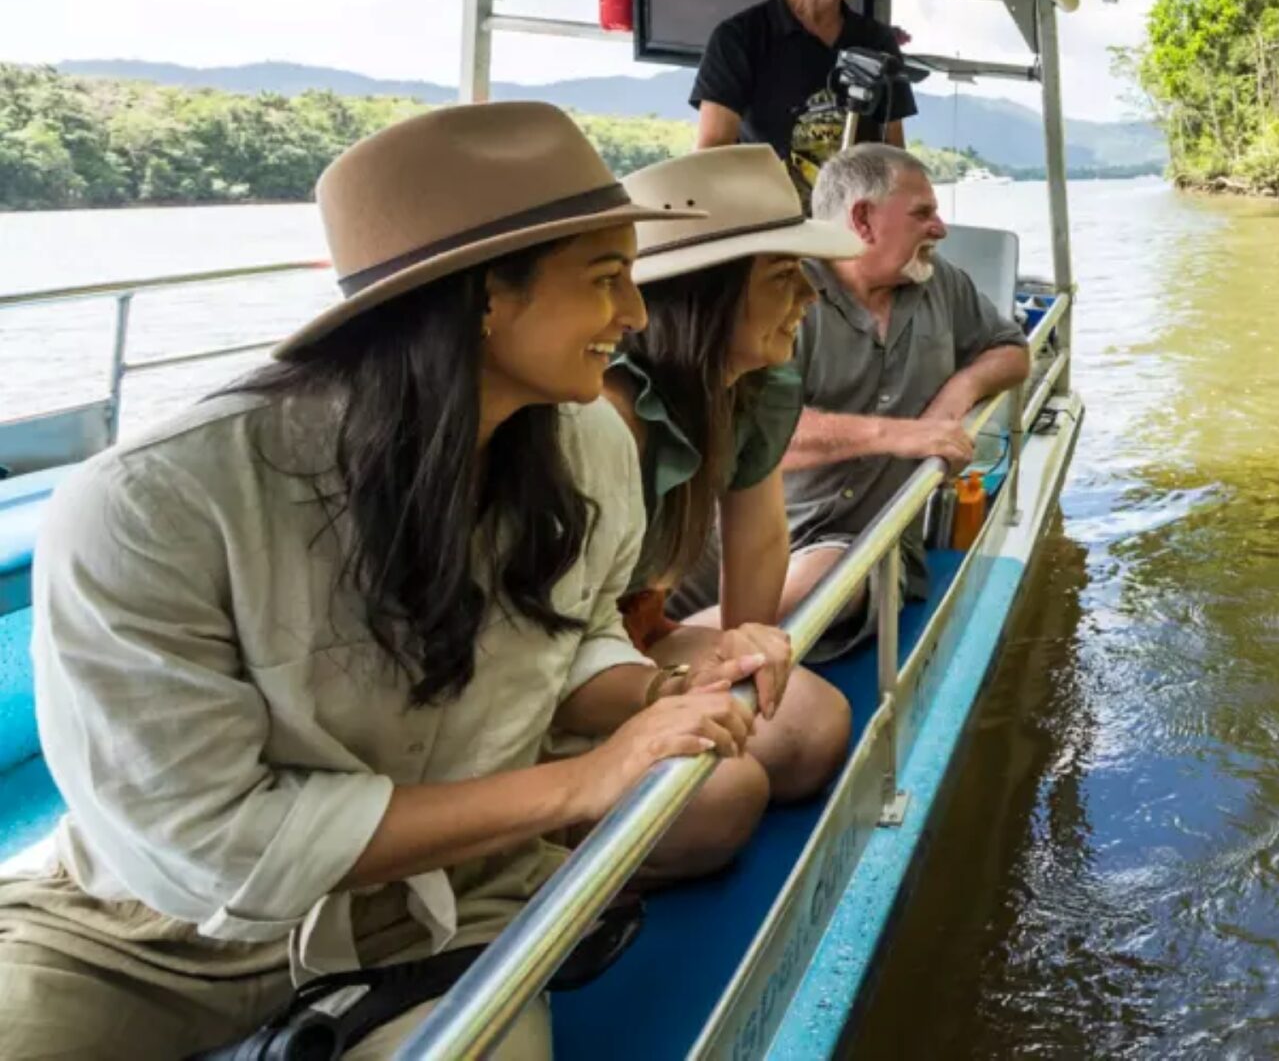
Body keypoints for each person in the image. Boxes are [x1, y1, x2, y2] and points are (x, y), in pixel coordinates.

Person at [0, 103, 774, 1061]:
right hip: (153, 938)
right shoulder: (153, 506)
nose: (637, 314)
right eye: (607, 278)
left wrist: (661, 694)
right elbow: (213, 841)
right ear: (487, 296)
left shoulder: (589, 451)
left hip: (442, 910)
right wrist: (581, 781)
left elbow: (573, 642)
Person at [599, 146, 859, 834]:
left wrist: (748, 652)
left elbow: (761, 531)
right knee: (724, 797)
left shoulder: (750, 385)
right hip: (566, 672)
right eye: (783, 274)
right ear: (705, 295)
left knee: (810, 730)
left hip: (640, 632)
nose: (810, 294)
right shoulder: (607, 415)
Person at [772, 145, 1030, 653]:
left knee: (832, 569)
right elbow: (757, 437)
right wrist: (902, 435)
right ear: (863, 221)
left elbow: (1012, 351)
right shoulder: (783, 296)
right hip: (769, 538)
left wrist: (957, 392)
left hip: (878, 548)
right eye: (922, 214)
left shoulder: (941, 283)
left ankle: (699, 647)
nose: (940, 228)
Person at [691, 0, 918, 200]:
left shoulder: (877, 42)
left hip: (852, 235)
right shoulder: (739, 38)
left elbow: (894, 155)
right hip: (771, 231)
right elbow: (712, 157)